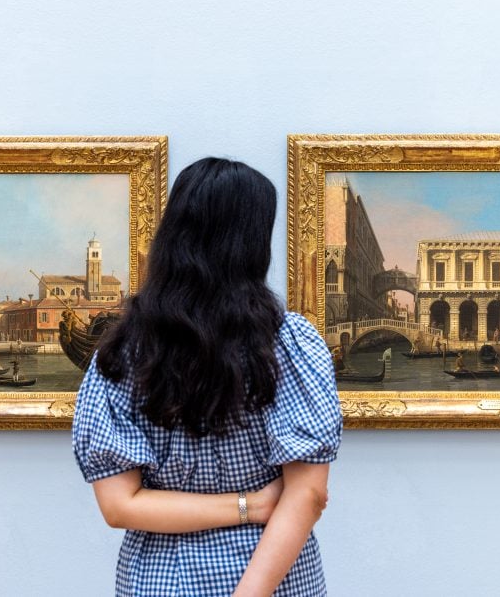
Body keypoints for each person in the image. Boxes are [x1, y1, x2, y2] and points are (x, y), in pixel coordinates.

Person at [73, 158, 342, 596]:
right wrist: (251, 504)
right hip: (278, 580)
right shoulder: (291, 342)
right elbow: (308, 496)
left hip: (161, 580)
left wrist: (245, 507)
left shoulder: (123, 351)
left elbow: (120, 506)